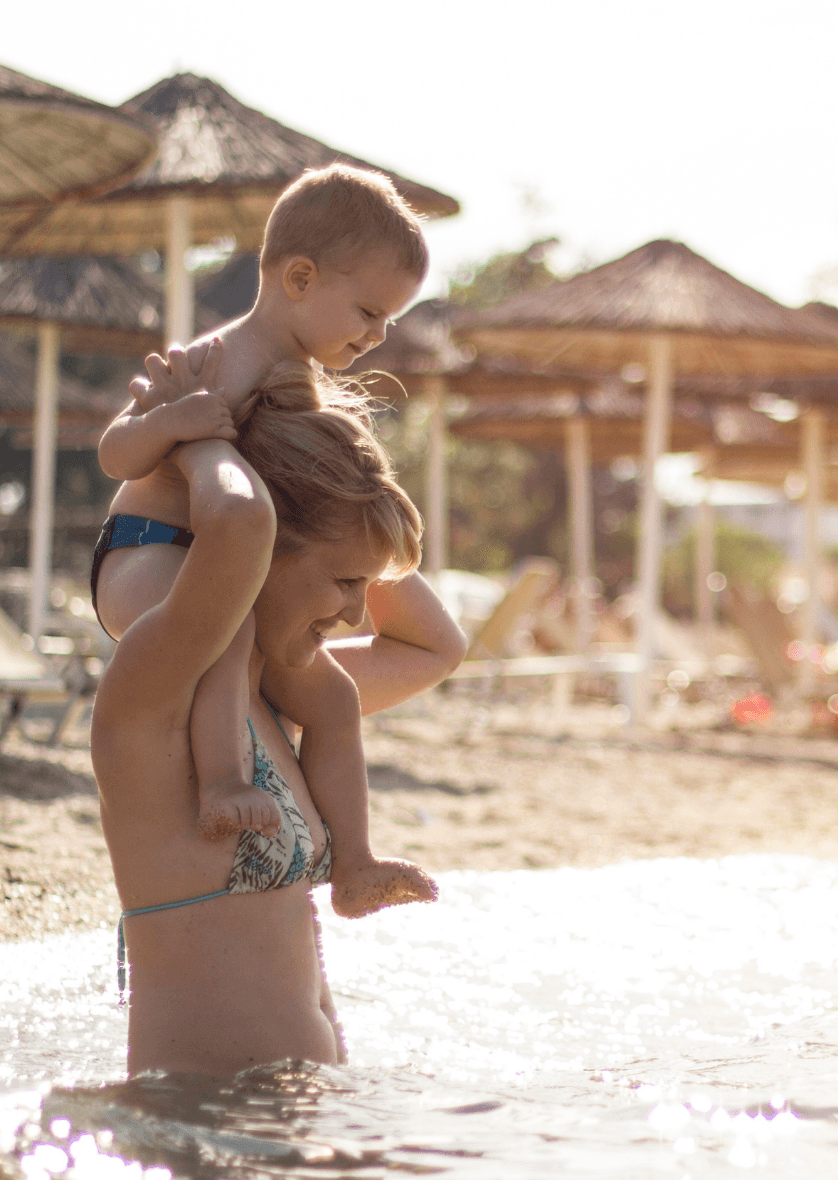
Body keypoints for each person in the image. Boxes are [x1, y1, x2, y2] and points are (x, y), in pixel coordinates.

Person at [93, 379, 467, 1076]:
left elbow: (436, 645)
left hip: (290, 1119)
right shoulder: (159, 683)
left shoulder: (280, 699)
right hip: (207, 1126)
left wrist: (347, 494)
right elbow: (235, 517)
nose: (360, 615)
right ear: (259, 554)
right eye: (343, 583)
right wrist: (198, 436)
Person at [93, 165, 430, 917]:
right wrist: (170, 426)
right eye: (369, 312)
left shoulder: (298, 377)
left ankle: (356, 864)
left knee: (336, 699)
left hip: (215, 564)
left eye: (387, 323)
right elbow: (117, 454)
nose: (374, 336)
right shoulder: (220, 358)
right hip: (144, 552)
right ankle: (222, 781)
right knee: (232, 626)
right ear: (300, 277)